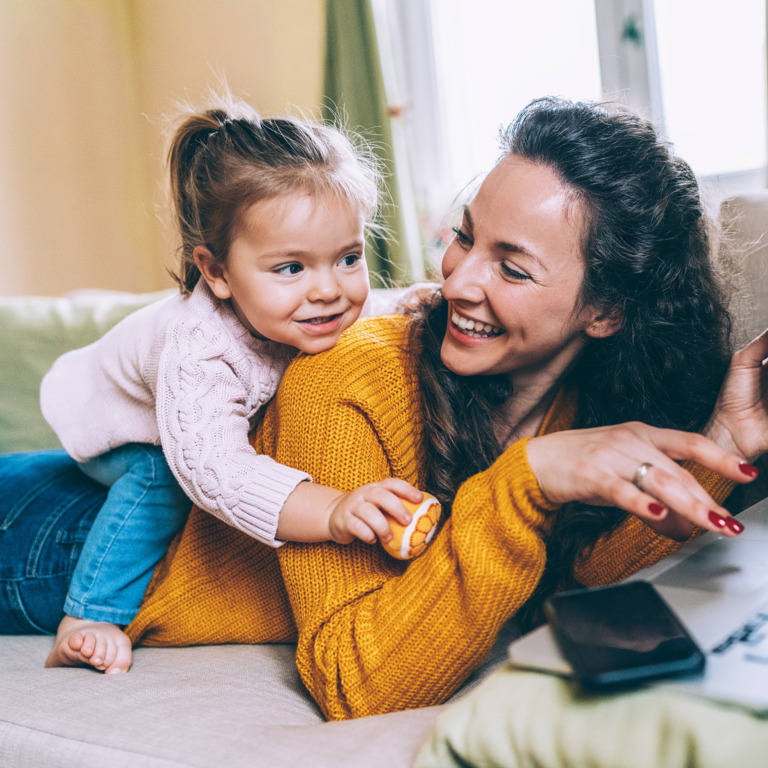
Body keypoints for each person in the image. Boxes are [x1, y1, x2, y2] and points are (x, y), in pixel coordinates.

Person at [1, 97, 766, 721]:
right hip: (56, 543)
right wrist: (524, 484)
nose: (461, 279)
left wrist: (723, 444)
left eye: (513, 265)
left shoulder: (570, 403)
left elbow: (577, 577)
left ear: (604, 310)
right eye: (465, 237)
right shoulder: (344, 375)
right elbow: (353, 681)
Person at [32, 96, 422, 676]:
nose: (329, 290)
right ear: (216, 272)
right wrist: (333, 508)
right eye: (291, 268)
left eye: (347, 257)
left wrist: (428, 303)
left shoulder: (323, 308)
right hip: (113, 425)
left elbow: (382, 307)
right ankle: (89, 612)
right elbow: (218, 474)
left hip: (173, 414)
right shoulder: (201, 350)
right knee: (161, 476)